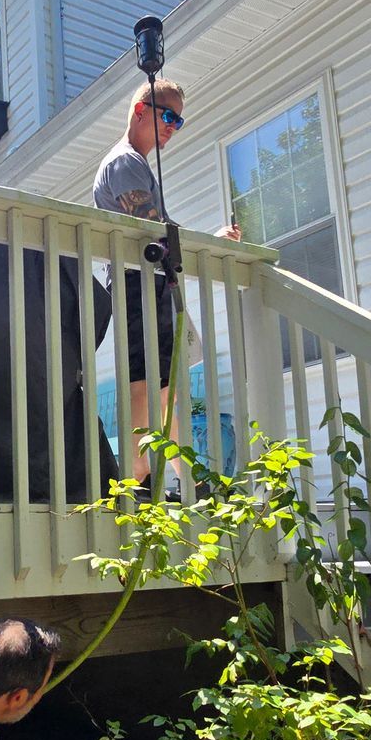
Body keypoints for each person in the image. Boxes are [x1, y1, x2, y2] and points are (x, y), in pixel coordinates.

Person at [92, 79, 239, 485]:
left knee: (162, 388)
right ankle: (135, 481)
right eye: (168, 115)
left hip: (149, 283)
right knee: (144, 384)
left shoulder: (135, 163)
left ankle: (190, 479)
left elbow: (160, 234)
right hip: (135, 284)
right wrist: (208, 243)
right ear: (140, 110)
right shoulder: (124, 163)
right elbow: (154, 229)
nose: (174, 125)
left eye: (180, 119)